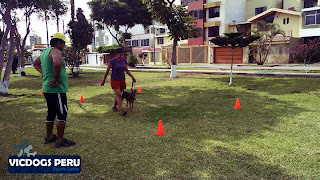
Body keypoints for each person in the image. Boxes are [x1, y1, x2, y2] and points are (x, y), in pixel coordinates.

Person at [33, 32, 76, 148]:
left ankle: (49, 137)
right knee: (62, 113)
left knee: (51, 112)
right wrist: (56, 77)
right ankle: (59, 140)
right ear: (58, 43)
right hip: (56, 89)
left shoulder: (45, 52)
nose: (64, 46)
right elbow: (57, 62)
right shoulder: (56, 51)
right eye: (63, 44)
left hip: (47, 88)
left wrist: (45, 74)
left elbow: (35, 63)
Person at [101, 48, 136, 116]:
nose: (122, 56)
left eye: (123, 55)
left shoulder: (124, 61)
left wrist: (132, 77)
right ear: (116, 54)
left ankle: (114, 106)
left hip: (122, 79)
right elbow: (107, 71)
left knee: (118, 95)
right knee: (119, 95)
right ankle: (122, 110)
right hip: (114, 80)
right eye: (120, 55)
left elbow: (126, 70)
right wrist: (103, 80)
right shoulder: (112, 61)